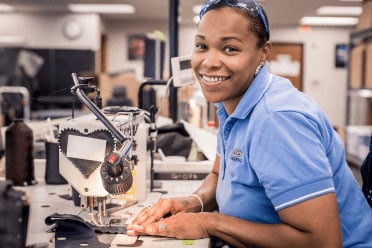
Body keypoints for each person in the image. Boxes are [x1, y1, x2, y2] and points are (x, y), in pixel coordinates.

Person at [127, 0, 372, 247]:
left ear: (263, 53)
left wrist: (209, 223)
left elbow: (323, 242)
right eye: (202, 46)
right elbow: (218, 174)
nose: (209, 62)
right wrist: (190, 203)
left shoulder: (277, 120)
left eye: (230, 49)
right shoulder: (232, 102)